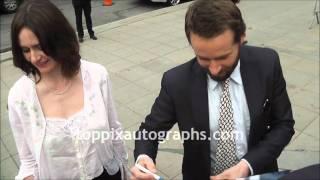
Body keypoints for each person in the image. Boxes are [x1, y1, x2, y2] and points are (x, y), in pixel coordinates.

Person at [131, 0, 295, 179]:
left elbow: (283, 125)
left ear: (241, 39)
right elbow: (149, 131)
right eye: (203, 58)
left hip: (257, 173)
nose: (214, 69)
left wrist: (247, 166)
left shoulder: (267, 64)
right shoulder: (176, 82)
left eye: (223, 57)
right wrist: (143, 158)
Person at [8, 0, 128, 179]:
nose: (34, 57)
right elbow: (28, 160)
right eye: (25, 50)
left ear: (59, 38)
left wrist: (125, 168)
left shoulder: (96, 75)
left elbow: (113, 130)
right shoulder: (20, 97)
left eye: (39, 46)